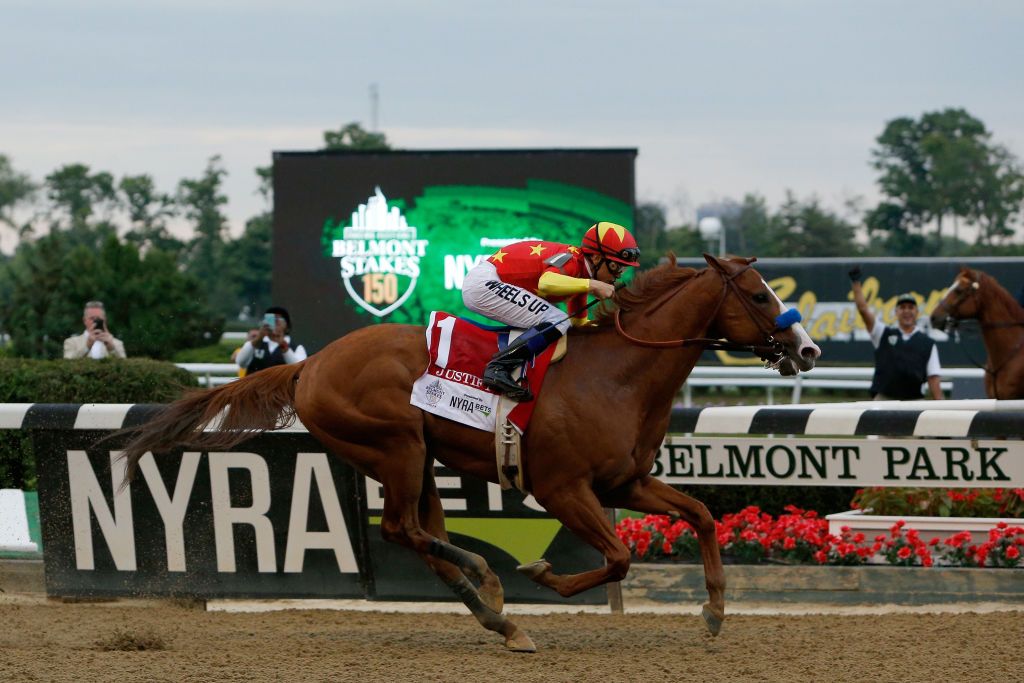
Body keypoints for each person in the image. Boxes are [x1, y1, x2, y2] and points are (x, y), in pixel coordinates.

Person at [461, 221, 640, 401]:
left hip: (487, 281)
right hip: (482, 283)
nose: (619, 274)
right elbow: (546, 283)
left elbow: (578, 324)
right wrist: (593, 285)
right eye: (616, 266)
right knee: (557, 319)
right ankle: (498, 368)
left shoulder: (582, 272)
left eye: (623, 268)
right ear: (595, 258)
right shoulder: (572, 259)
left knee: (561, 321)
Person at [849, 267, 942, 400]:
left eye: (911, 308)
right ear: (896, 312)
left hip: (914, 401)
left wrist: (941, 408)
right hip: (884, 399)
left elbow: (933, 377)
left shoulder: (928, 343)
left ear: (917, 312)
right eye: (902, 307)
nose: (906, 311)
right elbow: (863, 310)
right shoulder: (882, 333)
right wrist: (856, 283)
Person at [234, 306, 307, 375]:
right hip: (254, 387)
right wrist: (258, 338)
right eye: (271, 319)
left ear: (287, 326)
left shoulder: (297, 348)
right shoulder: (255, 343)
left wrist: (283, 346)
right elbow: (241, 362)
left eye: (279, 319)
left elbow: (299, 370)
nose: (275, 322)